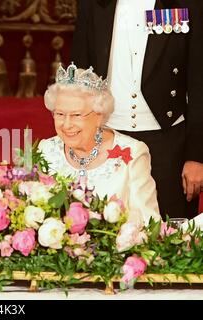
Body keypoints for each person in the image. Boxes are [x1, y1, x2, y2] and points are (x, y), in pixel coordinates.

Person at [71, 0, 203, 219]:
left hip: (167, 142)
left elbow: (199, 85)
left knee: (169, 234)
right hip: (107, 138)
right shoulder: (94, 5)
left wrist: (197, 156)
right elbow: (79, 78)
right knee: (106, 231)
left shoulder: (187, 3)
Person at [38, 64, 161, 226]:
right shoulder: (46, 150)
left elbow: (149, 222)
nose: (67, 125)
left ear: (99, 115)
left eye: (76, 115)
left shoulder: (133, 153)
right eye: (60, 114)